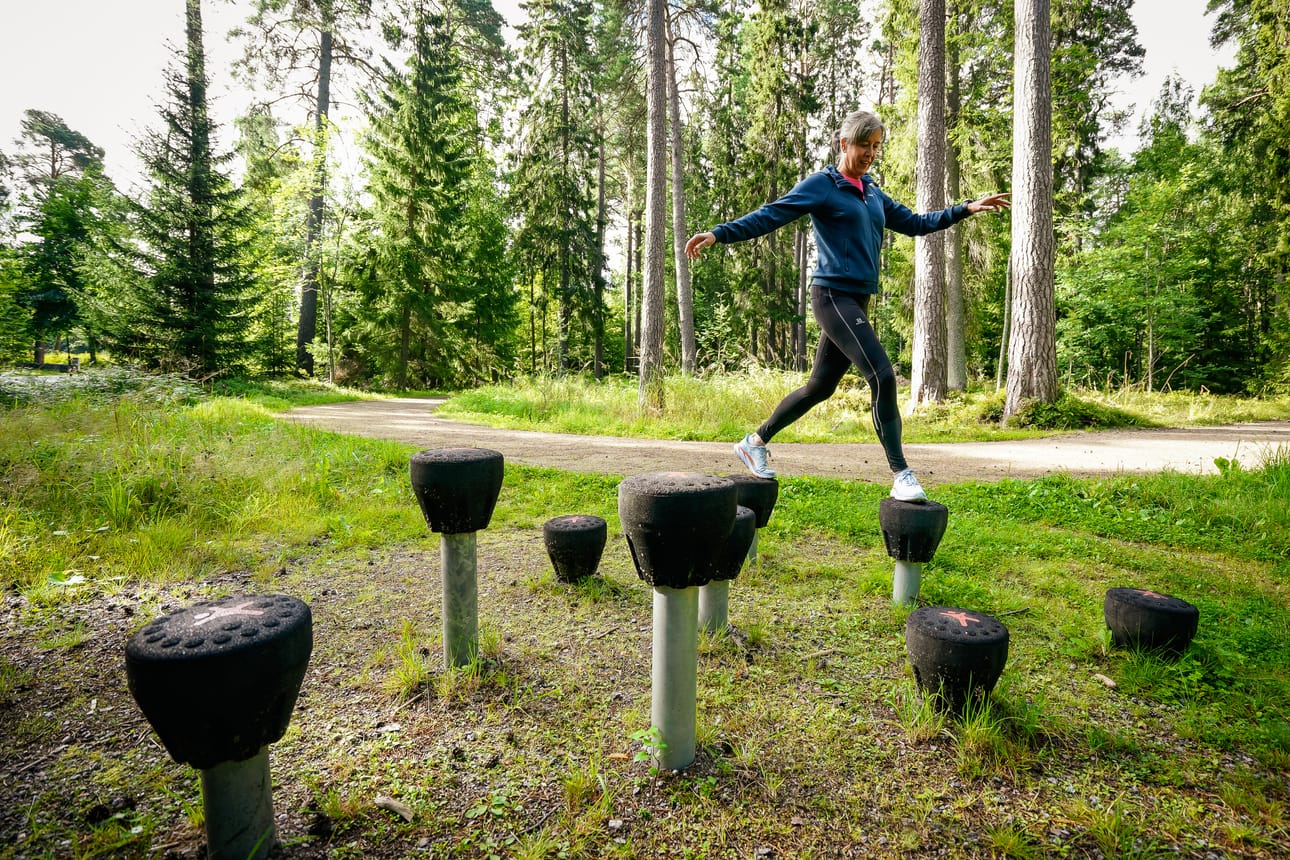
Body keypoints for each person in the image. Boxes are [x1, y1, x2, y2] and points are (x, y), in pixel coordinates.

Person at [686, 109, 1010, 502]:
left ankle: (754, 442)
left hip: (856, 299)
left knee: (819, 387)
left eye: (876, 147)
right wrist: (719, 234)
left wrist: (966, 208)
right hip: (832, 296)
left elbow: (915, 223)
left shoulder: (872, 192)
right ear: (843, 144)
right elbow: (771, 215)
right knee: (883, 376)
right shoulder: (823, 186)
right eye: (864, 145)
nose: (871, 153)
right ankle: (901, 473)